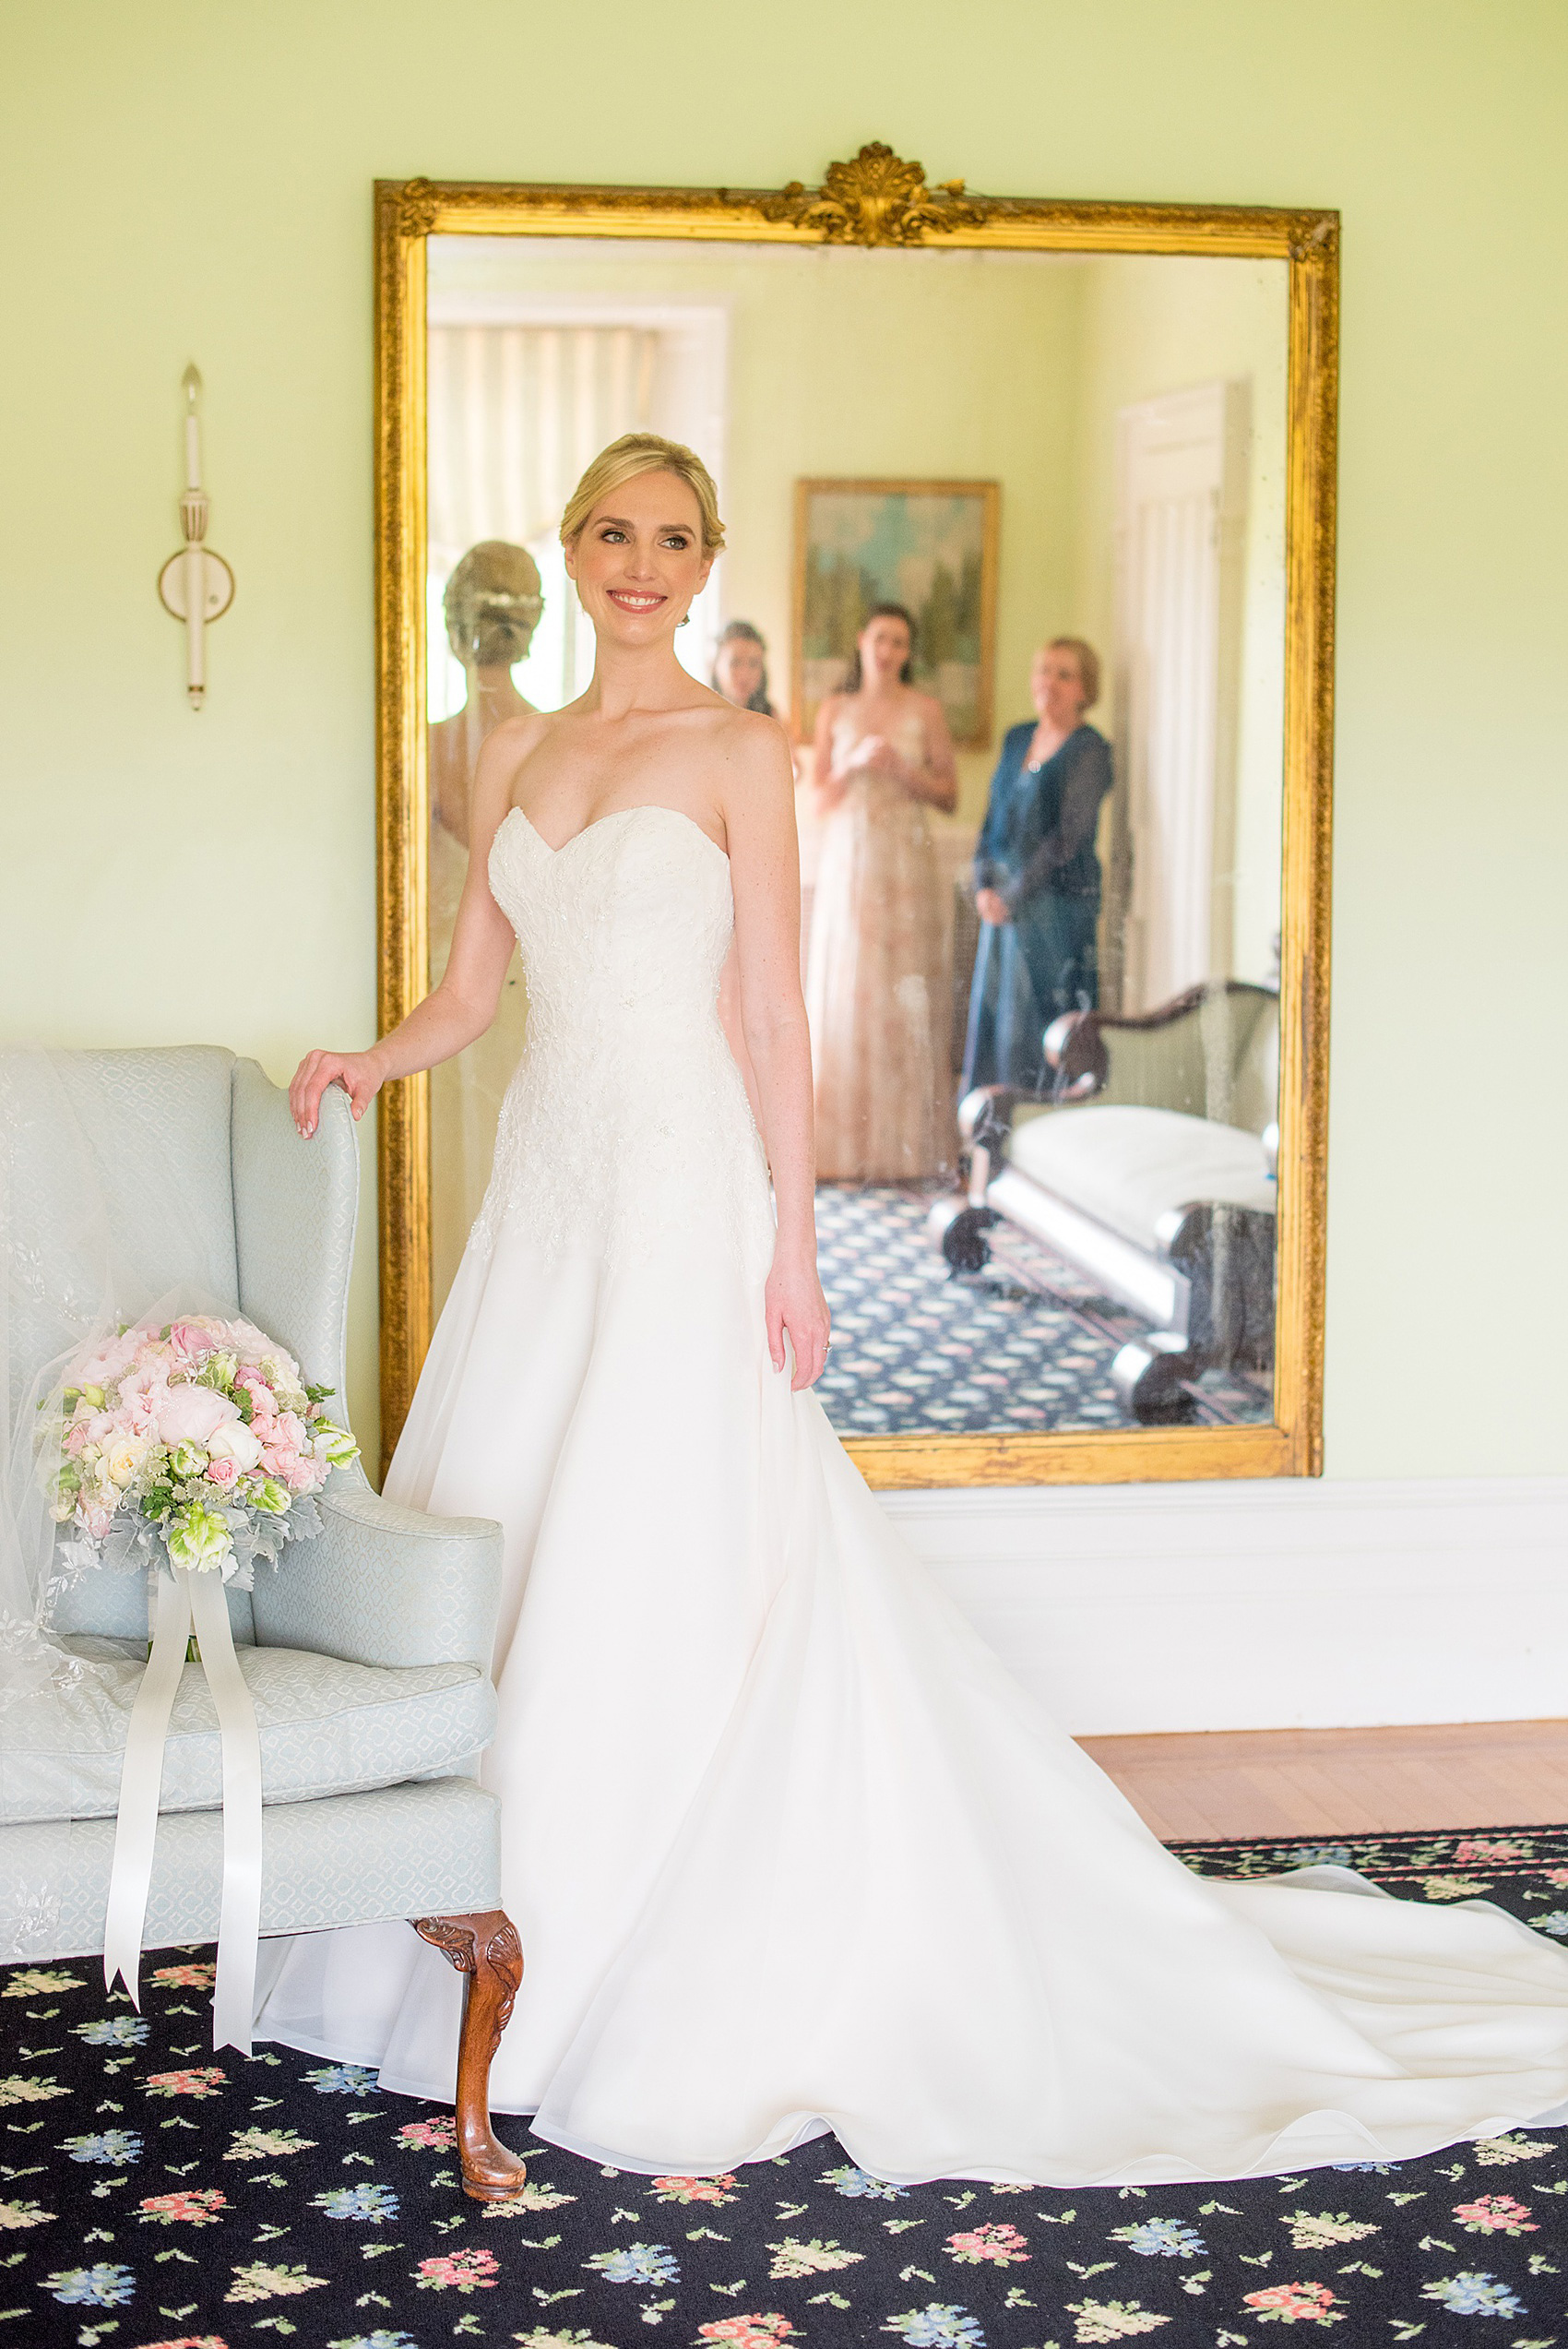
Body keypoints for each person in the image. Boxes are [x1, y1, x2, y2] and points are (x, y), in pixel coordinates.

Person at [261, 432, 1568, 2190]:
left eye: (670, 538)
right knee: (508, 1539)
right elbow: (471, 992)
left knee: (665, 1542)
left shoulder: (739, 745)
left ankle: (656, 1953)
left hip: (683, 1195)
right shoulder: (512, 744)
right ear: (569, 554)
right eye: (610, 533)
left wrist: (794, 1240)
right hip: (549, 1202)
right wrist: (369, 1056)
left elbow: (776, 1021)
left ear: (705, 562)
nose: (639, 563)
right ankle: (481, 1946)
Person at [428, 544, 545, 1306]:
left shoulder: (429, 748)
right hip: (530, 979)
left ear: (451, 628)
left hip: (449, 973)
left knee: (463, 1162)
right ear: (529, 630)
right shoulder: (552, 744)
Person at [806, 604, 958, 1182]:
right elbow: (817, 802)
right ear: (861, 642)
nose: (888, 650)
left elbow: (948, 795)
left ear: (908, 652)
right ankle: (840, 1149)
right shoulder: (835, 710)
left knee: (903, 992)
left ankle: (905, 1150)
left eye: (900, 642)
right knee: (849, 990)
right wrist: (849, 766)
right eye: (880, 638)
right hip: (851, 861)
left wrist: (904, 772)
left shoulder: (926, 711)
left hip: (905, 867)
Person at [961, 638, 1113, 1095]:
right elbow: (991, 822)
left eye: (1064, 674)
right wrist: (983, 886)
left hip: (1055, 913)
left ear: (1085, 690)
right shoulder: (1016, 738)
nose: (1049, 682)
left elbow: (1068, 839)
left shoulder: (1090, 750)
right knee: (996, 1026)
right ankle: (993, 1141)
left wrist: (1013, 898)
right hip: (1002, 910)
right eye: (1043, 670)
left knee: (1036, 1026)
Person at [711, 616, 775, 714]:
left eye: (754, 664)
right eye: (735, 663)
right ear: (716, 665)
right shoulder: (698, 717)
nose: (744, 674)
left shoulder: (772, 718)